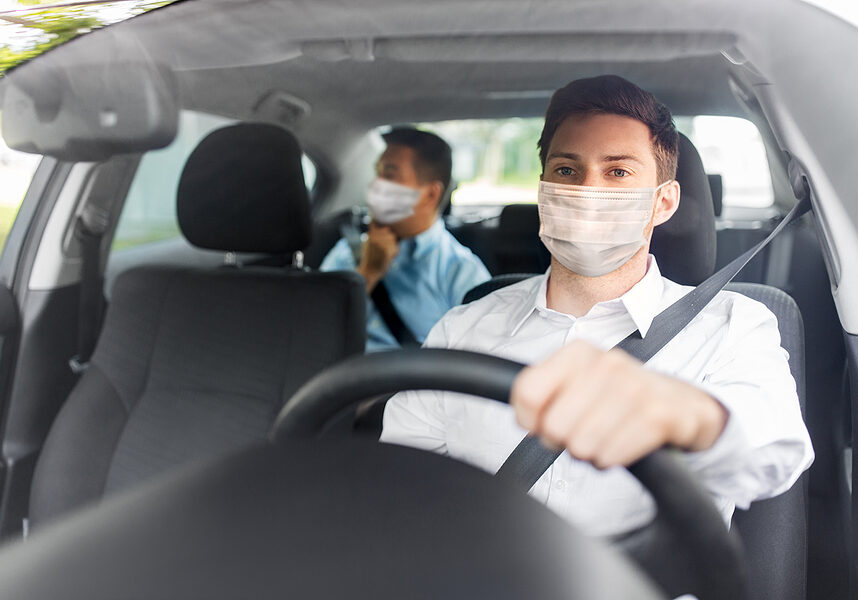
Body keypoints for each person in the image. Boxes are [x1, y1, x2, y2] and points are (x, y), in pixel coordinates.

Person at [381, 75, 813, 537]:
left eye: (618, 172)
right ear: (544, 189)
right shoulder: (460, 330)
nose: (588, 192)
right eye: (567, 170)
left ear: (663, 202)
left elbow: (775, 452)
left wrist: (683, 413)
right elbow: (402, 491)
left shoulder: (732, 325)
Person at [321, 127, 490, 352]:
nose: (374, 185)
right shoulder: (346, 252)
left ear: (430, 194)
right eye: (377, 173)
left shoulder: (462, 273)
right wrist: (367, 274)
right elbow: (311, 331)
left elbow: (476, 364)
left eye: (389, 175)